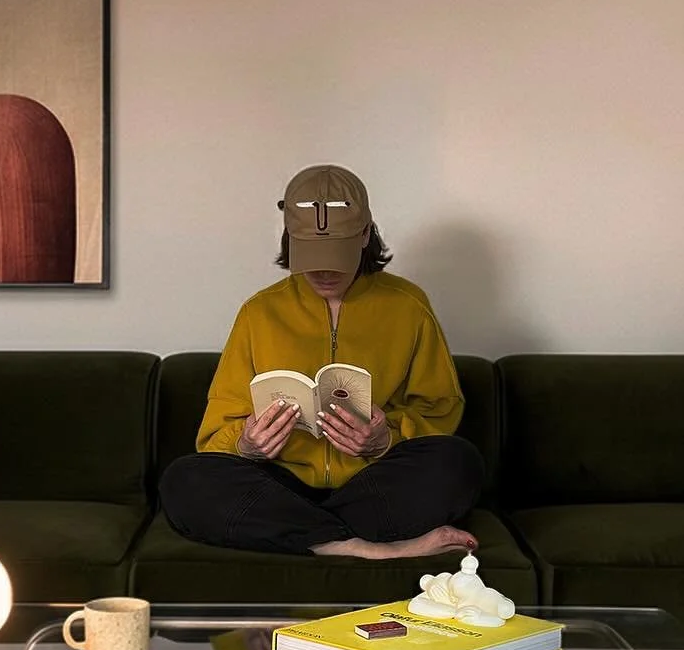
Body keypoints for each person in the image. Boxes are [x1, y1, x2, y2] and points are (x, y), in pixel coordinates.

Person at [158, 165, 485, 559]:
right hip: (278, 484)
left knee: (459, 461)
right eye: (311, 255)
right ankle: (362, 545)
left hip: (371, 483)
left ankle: (304, 535)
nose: (324, 270)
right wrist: (247, 445)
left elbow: (441, 408)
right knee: (183, 480)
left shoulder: (409, 306)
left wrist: (386, 439)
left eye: (337, 254)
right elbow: (214, 436)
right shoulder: (259, 312)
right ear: (289, 239)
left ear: (365, 235)